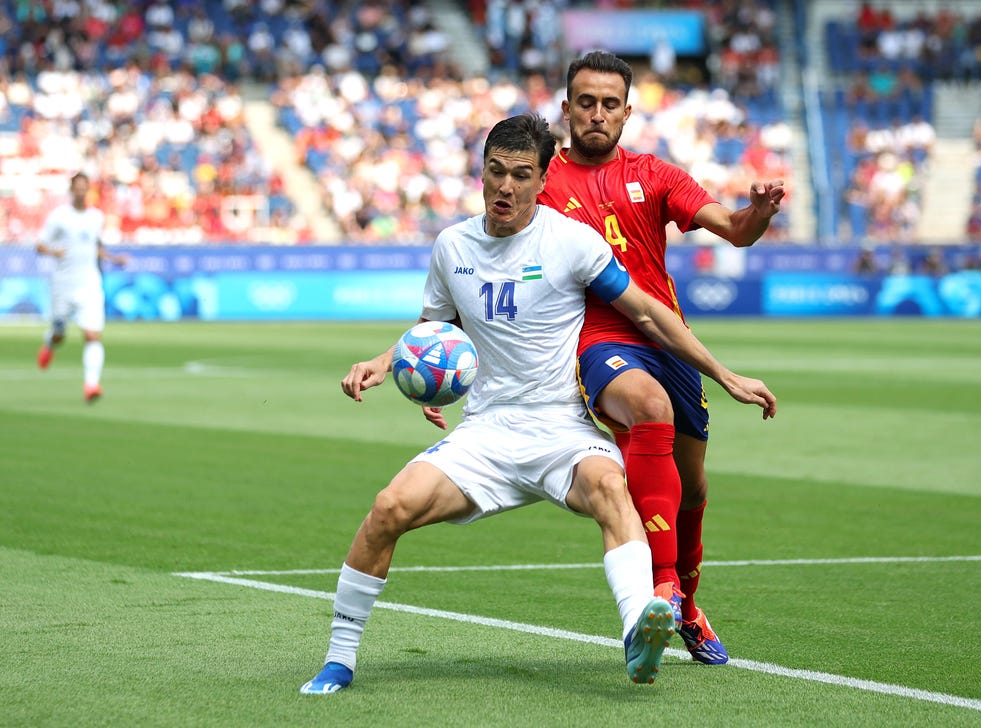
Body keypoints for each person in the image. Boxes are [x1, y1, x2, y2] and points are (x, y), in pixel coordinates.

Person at [300, 113, 776, 694]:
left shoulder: (571, 242)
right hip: (486, 433)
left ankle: (638, 633)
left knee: (610, 489)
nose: (506, 186)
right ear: (480, 173)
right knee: (388, 509)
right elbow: (432, 328)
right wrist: (383, 363)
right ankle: (339, 658)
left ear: (543, 177)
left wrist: (724, 375)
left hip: (562, 430)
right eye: (495, 172)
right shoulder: (452, 246)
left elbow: (648, 313)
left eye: (521, 175)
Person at [535, 50, 785, 665]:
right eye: (585, 103)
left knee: (693, 492)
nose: (596, 114)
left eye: (609, 104)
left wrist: (758, 213)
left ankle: (689, 606)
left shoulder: (654, 173)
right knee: (647, 407)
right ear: (566, 109)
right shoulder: (538, 181)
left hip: (667, 336)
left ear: (627, 111)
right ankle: (663, 587)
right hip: (598, 340)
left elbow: (733, 228)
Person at [35, 172, 129, 403]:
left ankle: (91, 384)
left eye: (84, 188)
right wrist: (53, 251)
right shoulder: (59, 217)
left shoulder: (95, 217)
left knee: (92, 334)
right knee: (60, 333)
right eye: (77, 187)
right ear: (71, 191)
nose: (80, 192)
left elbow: (93, 246)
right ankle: (49, 345)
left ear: (88, 190)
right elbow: (39, 245)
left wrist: (113, 259)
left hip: (89, 283)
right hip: (63, 284)